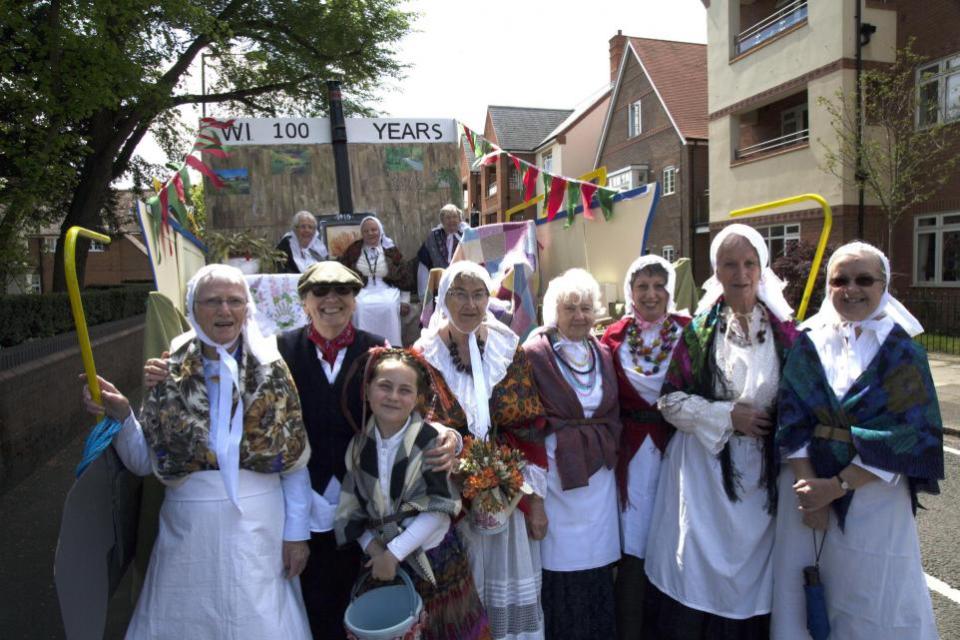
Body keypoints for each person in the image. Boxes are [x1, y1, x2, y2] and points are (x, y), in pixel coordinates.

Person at [143, 261, 461, 639]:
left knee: (363, 603)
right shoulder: (275, 351)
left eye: (342, 291)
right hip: (296, 503)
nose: (331, 299)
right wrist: (168, 372)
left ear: (354, 300)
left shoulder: (377, 348)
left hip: (363, 507)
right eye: (320, 291)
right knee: (309, 604)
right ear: (304, 301)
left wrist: (446, 434)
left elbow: (413, 404)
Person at [84, 264, 313, 638]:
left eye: (234, 301)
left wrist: (297, 534)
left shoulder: (273, 369)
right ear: (193, 307)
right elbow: (145, 460)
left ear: (247, 308)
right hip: (188, 533)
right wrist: (123, 415)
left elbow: (294, 463)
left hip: (261, 527)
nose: (224, 310)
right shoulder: (167, 370)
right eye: (212, 301)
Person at [772, 241, 943, 639]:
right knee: (805, 596)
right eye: (840, 280)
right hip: (806, 493)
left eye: (864, 279)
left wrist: (837, 486)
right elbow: (791, 416)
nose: (851, 289)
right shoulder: (808, 341)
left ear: (884, 285)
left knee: (873, 596)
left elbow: (910, 433)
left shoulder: (902, 350)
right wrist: (810, 491)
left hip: (873, 501)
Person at [644, 223, 799, 639]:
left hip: (765, 476)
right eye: (730, 264)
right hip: (705, 477)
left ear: (762, 268)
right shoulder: (699, 333)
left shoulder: (787, 334)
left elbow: (805, 400)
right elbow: (669, 401)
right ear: (716, 270)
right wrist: (729, 416)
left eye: (749, 263)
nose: (741, 273)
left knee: (755, 581)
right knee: (701, 571)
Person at [416, 260, 549, 640]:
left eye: (479, 294)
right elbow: (415, 422)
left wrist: (535, 501)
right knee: (462, 590)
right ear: (444, 298)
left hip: (506, 495)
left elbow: (529, 427)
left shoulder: (507, 348)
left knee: (506, 586)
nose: (470, 304)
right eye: (460, 294)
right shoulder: (424, 355)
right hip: (451, 496)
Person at [335, 347, 492, 640]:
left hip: (434, 558)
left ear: (418, 398)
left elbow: (436, 510)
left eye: (405, 390)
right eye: (385, 386)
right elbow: (351, 510)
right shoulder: (358, 447)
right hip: (381, 561)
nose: (393, 396)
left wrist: (394, 553)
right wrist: (376, 552)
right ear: (367, 390)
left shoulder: (429, 441)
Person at [522, 268, 622, 640]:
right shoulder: (534, 354)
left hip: (599, 479)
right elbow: (526, 427)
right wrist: (534, 500)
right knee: (560, 569)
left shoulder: (604, 353)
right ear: (554, 312)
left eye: (586, 307)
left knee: (597, 567)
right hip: (556, 478)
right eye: (570, 308)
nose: (579, 316)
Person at [600, 255, 690, 640]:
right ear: (630, 293)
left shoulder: (691, 331)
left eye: (659, 286)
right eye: (642, 287)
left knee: (676, 536)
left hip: (679, 447)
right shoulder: (614, 337)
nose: (651, 294)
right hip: (631, 453)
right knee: (634, 543)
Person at [338, 215, 414, 346]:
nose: (370, 233)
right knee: (360, 307)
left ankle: (392, 346)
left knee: (390, 306)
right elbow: (343, 273)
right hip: (361, 289)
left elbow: (404, 276)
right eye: (366, 231)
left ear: (380, 230)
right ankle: (363, 346)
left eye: (373, 230)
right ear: (362, 233)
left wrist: (405, 300)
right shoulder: (354, 250)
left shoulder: (391, 250)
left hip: (387, 288)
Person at [416, 203, 468, 298]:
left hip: (463, 282)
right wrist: (424, 294)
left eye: (454, 217)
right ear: (442, 221)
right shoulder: (433, 237)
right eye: (447, 217)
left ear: (460, 219)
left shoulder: (467, 235)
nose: (451, 220)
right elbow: (423, 264)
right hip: (439, 284)